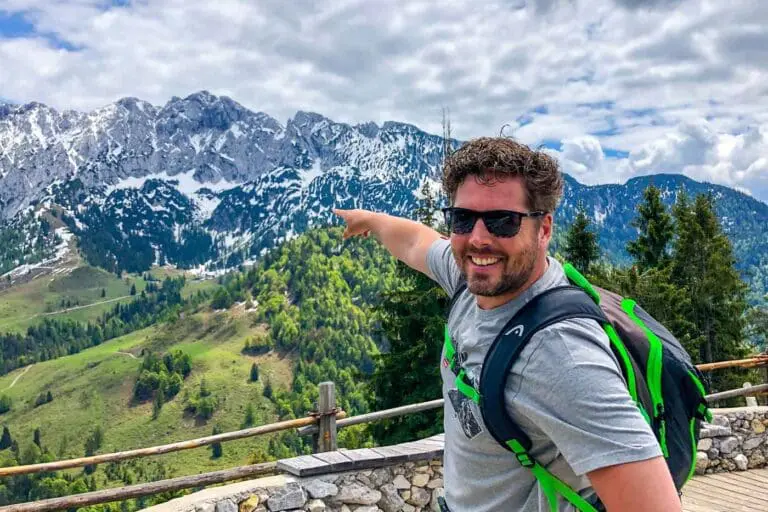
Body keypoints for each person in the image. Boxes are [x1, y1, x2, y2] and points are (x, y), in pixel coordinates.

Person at [332, 137, 682, 511]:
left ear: (544, 229)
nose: (479, 238)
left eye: (503, 222)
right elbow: (417, 242)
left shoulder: (561, 356)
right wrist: (373, 220)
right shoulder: (473, 282)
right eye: (463, 218)